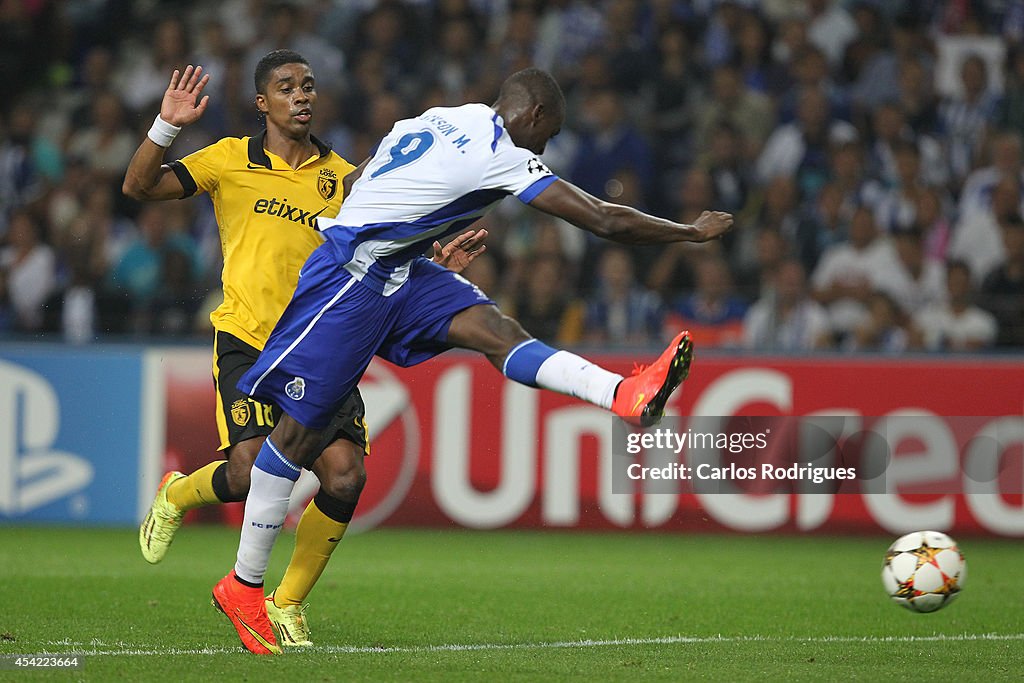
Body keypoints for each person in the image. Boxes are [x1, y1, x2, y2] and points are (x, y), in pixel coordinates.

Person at [224, 67, 732, 654]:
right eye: (551, 134)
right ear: (535, 118)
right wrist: (692, 232)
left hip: (402, 267)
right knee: (296, 435)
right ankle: (244, 585)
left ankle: (623, 394)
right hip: (351, 277)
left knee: (495, 329)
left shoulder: (444, 116)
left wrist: (416, 232)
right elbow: (604, 218)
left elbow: (368, 174)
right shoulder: (502, 153)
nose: (547, 148)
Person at [122, 52, 486, 655]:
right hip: (246, 335)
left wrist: (432, 268)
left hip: (322, 344)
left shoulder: (344, 178)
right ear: (262, 103)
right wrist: (167, 125)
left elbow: (379, 255)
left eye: (308, 86)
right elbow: (138, 186)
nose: (301, 96)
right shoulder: (228, 159)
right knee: (246, 474)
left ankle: (285, 602)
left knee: (346, 475)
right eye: (286, 87)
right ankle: (177, 494)